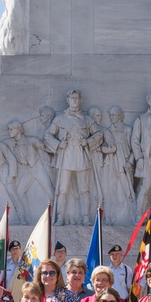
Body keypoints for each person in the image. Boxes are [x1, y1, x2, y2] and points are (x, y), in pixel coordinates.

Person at [45, 89, 101, 225]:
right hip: (66, 157)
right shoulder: (60, 119)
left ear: (80, 100)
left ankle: (86, 217)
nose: (74, 100)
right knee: (62, 189)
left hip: (81, 156)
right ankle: (60, 217)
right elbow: (47, 135)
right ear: (68, 100)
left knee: (84, 189)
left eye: (77, 97)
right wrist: (58, 144)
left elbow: (99, 134)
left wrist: (87, 141)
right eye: (72, 97)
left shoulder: (87, 120)